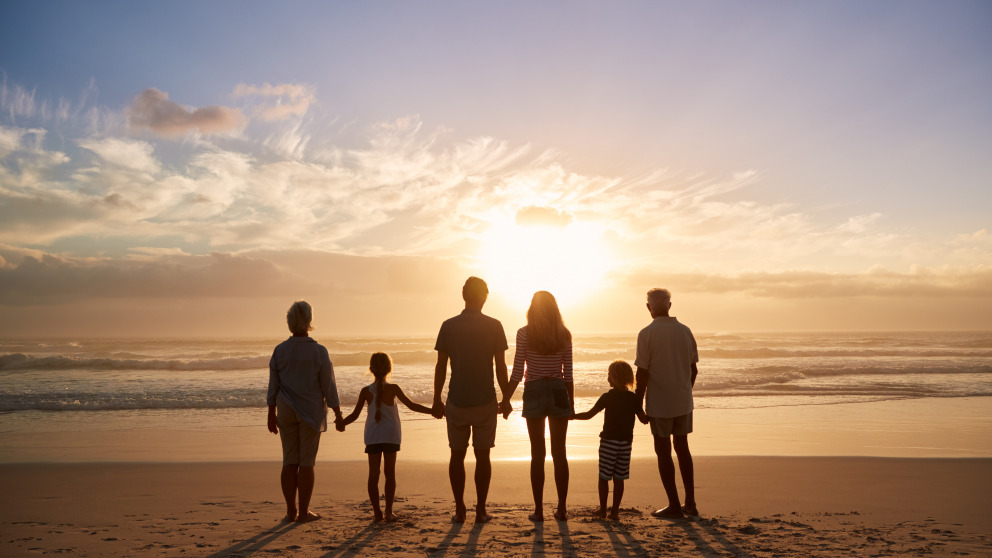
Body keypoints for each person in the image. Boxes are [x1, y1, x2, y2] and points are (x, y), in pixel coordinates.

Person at [433, 276, 511, 523]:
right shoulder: (494, 325)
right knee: (483, 456)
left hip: (456, 399)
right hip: (485, 400)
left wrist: (437, 398)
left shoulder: (448, 326)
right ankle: (481, 510)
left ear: (464, 295)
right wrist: (506, 397)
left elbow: (441, 366)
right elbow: (500, 367)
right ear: (484, 297)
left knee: (457, 455)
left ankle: (459, 509)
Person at [500, 290, 574, 522]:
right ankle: (561, 509)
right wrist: (570, 404)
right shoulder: (564, 334)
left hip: (533, 391)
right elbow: (568, 373)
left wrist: (505, 399)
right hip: (557, 389)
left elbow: (517, 371)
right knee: (560, 453)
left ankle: (539, 510)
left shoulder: (524, 333)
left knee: (537, 453)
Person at [266, 300, 343, 523]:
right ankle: (303, 511)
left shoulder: (280, 350)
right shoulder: (319, 351)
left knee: (289, 460)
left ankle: (290, 511)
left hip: (286, 410)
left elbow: (274, 385)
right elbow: (328, 386)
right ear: (309, 321)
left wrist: (271, 413)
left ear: (290, 322)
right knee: (307, 462)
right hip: (311, 411)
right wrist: (338, 414)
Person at [340, 353, 433, 522]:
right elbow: (412, 406)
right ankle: (389, 511)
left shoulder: (365, 391)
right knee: (390, 474)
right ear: (390, 369)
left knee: (373, 474)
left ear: (371, 369)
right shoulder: (394, 388)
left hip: (373, 436)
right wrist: (432, 411)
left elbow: (354, 415)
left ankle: (377, 513)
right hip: (391, 435)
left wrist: (341, 423)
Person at [635, 288, 699, 519]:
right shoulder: (685, 331)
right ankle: (690, 502)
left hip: (659, 403)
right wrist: (684, 392)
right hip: (682, 401)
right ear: (669, 306)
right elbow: (693, 369)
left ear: (649, 308)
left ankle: (674, 505)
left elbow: (642, 373)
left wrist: (637, 405)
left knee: (663, 452)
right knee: (682, 449)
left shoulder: (646, 334)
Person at [571, 360, 648, 520]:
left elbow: (589, 415)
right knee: (619, 478)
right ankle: (614, 512)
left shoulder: (608, 397)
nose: (607, 379)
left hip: (608, 443)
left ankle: (602, 509)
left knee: (604, 477)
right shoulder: (633, 398)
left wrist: (570, 417)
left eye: (608, 375)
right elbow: (643, 419)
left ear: (613, 378)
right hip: (626, 443)